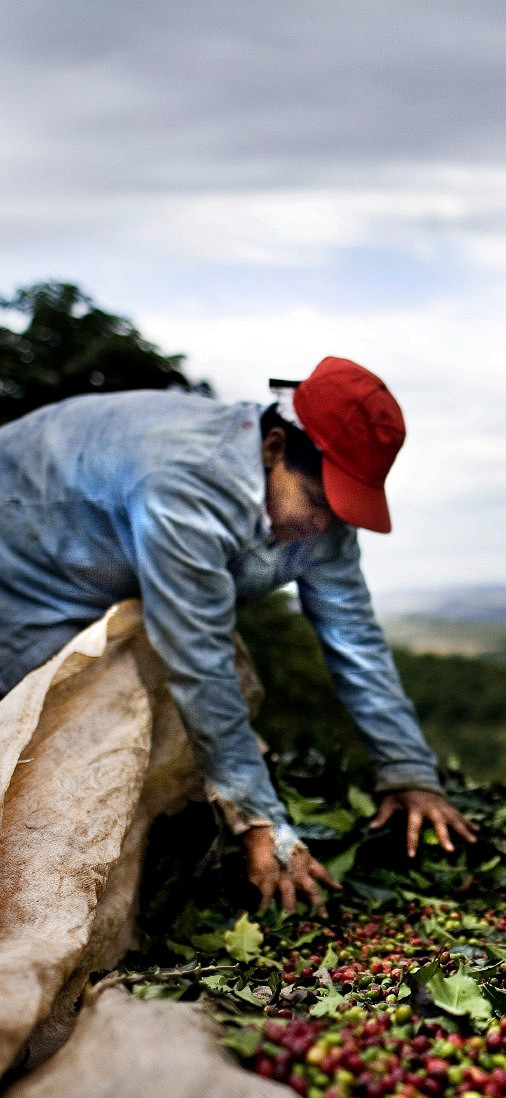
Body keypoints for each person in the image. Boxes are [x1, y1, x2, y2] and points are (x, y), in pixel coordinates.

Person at [0, 356, 475, 910]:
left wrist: (409, 772)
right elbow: (200, 658)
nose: (324, 527)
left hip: (112, 555)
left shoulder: (324, 521)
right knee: (35, 728)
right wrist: (259, 820)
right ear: (274, 448)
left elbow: (356, 644)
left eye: (342, 511)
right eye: (319, 503)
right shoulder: (187, 483)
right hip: (25, 553)